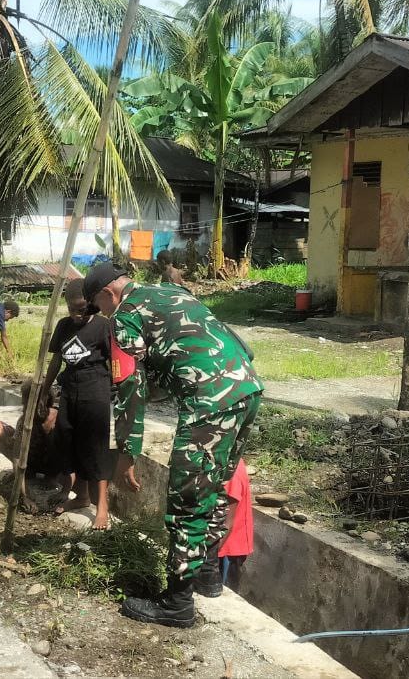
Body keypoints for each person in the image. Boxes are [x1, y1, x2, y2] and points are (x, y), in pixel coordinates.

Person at [84, 262, 263, 628]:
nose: (100, 315)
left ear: (107, 294)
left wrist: (127, 452)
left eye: (98, 306)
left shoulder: (124, 316)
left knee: (188, 497)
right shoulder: (171, 292)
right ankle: (208, 575)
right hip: (247, 388)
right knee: (214, 486)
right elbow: (227, 339)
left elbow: (129, 390)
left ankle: (177, 602)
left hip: (209, 401)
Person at [42, 279, 115, 529]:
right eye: (73, 308)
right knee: (69, 444)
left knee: (95, 448)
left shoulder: (103, 326)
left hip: (95, 391)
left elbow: (114, 361)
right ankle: (81, 497)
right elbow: (56, 361)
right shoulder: (63, 326)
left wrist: (120, 388)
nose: (78, 313)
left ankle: (102, 507)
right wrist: (44, 389)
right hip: (69, 389)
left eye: (83, 308)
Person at [0, 380, 63, 501]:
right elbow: (17, 459)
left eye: (25, 402)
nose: (23, 405)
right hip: (31, 462)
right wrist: (24, 494)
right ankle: (26, 473)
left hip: (54, 467)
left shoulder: (60, 420)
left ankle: (51, 477)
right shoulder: (24, 422)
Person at [203, 457, 252, 597]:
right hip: (221, 544)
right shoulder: (225, 464)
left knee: (220, 592)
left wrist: (206, 558)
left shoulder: (231, 472)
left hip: (227, 549)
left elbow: (227, 523)